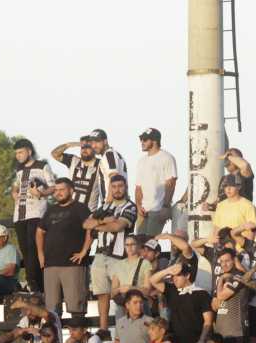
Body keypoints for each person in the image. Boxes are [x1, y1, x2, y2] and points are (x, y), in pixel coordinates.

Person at [84, 174, 138, 331]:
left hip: (119, 256)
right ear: (110, 188)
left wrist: (98, 224)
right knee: (102, 293)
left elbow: (117, 227)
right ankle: (103, 329)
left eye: (120, 186)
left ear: (126, 187)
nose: (117, 190)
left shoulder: (130, 207)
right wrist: (105, 221)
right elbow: (86, 224)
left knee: (121, 294)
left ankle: (126, 327)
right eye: (114, 187)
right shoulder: (105, 207)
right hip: (100, 254)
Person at [37, 178, 92, 316]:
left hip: (73, 264)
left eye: (62, 189)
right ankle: (56, 337)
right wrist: (40, 254)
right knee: (52, 312)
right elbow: (40, 231)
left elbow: (91, 229)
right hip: (50, 265)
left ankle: (78, 337)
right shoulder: (50, 210)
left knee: (76, 308)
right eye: (56, 190)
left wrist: (84, 251)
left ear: (71, 190)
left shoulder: (81, 208)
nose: (58, 193)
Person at [11, 138, 56, 293]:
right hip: (19, 214)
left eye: (20, 152)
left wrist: (41, 192)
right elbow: (15, 187)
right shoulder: (18, 169)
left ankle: (34, 282)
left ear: (29, 151)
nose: (18, 155)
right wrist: (14, 192)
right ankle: (33, 282)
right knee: (25, 249)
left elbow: (53, 187)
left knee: (34, 247)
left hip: (36, 212)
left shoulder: (42, 166)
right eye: (16, 153)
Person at [134, 127, 178, 235]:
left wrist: (166, 207)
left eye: (145, 140)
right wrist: (138, 206)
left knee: (150, 244)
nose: (142, 142)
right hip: (143, 211)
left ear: (154, 141)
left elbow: (171, 184)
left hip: (158, 209)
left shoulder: (167, 158)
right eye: (141, 139)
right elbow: (138, 187)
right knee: (138, 243)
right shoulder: (141, 161)